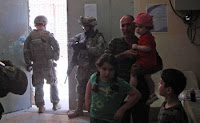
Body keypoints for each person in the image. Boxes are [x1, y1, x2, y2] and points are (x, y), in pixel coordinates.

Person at [108, 15, 163, 123]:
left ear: (135, 26)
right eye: (123, 26)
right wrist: (123, 54)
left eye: (129, 25)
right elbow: (104, 61)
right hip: (120, 89)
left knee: (141, 119)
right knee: (122, 119)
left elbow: (159, 64)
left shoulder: (144, 42)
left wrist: (144, 71)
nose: (126, 28)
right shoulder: (114, 43)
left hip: (141, 89)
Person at [67, 16, 107, 118]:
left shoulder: (98, 37)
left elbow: (100, 50)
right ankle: (79, 109)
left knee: (94, 90)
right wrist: (76, 44)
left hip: (93, 68)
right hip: (81, 68)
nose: (85, 28)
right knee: (80, 89)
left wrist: (87, 48)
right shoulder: (81, 36)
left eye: (87, 26)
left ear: (92, 26)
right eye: (84, 26)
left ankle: (93, 111)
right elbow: (70, 42)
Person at [85, 53, 141, 123]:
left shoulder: (120, 83)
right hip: (94, 117)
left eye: (111, 70)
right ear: (99, 68)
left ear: (115, 70)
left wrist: (122, 110)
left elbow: (137, 95)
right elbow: (88, 86)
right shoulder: (94, 77)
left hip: (110, 119)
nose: (107, 73)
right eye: (104, 69)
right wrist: (87, 102)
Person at [24, 15, 60, 113]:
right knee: (53, 83)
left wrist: (28, 62)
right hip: (48, 64)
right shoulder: (48, 34)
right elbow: (56, 46)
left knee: (38, 85)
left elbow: (26, 50)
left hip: (36, 64)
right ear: (44, 23)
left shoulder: (30, 36)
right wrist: (55, 58)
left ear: (35, 24)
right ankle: (55, 104)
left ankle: (40, 106)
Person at [130, 12, 158, 105]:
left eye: (140, 27)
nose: (137, 29)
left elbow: (148, 48)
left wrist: (136, 47)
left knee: (133, 72)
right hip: (149, 61)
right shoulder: (145, 36)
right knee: (147, 77)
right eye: (136, 26)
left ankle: (131, 92)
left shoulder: (147, 37)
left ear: (148, 28)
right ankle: (153, 94)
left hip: (145, 62)